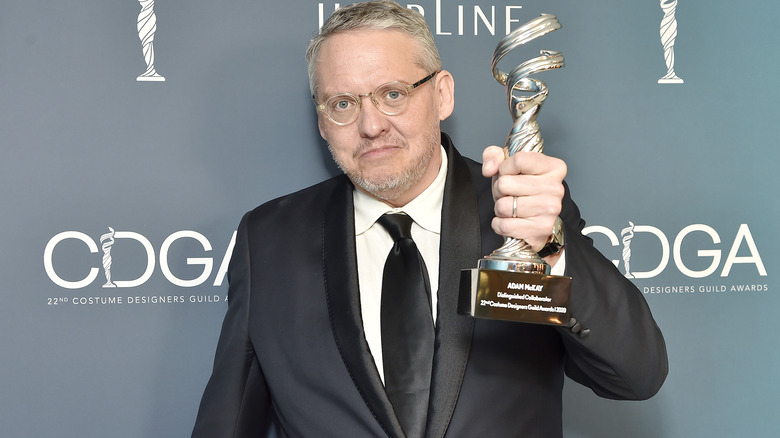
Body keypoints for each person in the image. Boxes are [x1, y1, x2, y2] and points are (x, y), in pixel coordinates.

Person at [191, 1, 668, 437]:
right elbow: (228, 423)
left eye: (392, 94)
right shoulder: (269, 239)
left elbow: (636, 375)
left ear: (441, 94)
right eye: (343, 103)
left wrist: (554, 253)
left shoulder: (520, 214)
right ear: (321, 121)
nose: (371, 124)